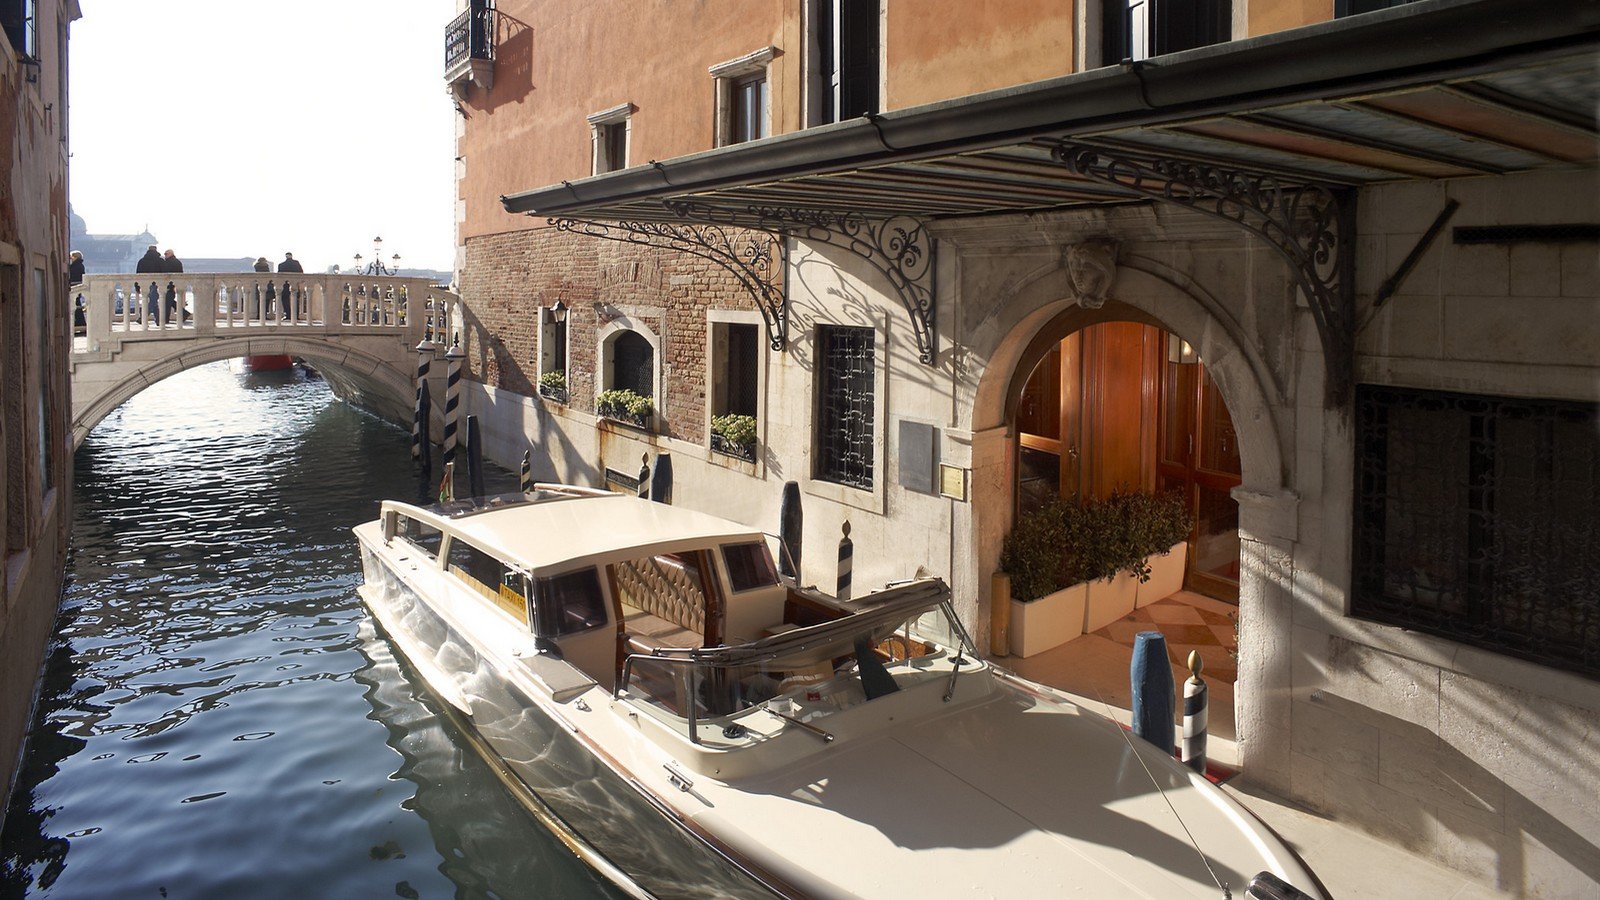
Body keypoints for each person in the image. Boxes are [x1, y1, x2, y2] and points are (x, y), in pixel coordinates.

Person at [136, 244, 162, 320]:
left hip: (145, 284)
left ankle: (158, 319)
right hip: (157, 285)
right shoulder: (160, 261)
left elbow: (138, 274)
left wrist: (137, 286)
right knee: (153, 302)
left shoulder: (141, 261)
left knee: (153, 302)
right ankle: (143, 318)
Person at [162, 249, 185, 323]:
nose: (165, 255)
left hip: (169, 284)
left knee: (167, 303)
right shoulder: (177, 262)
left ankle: (166, 319)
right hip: (174, 284)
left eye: (166, 254)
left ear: (170, 254)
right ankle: (184, 313)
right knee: (169, 301)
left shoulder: (168, 262)